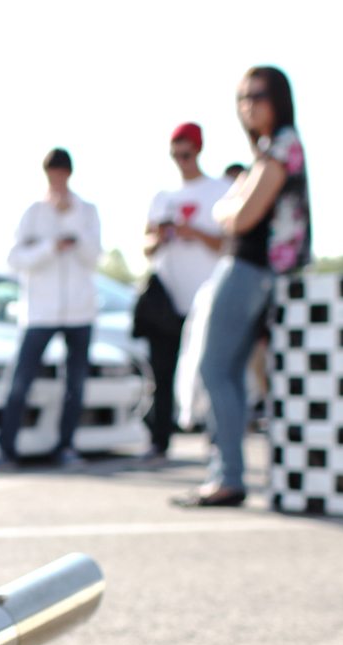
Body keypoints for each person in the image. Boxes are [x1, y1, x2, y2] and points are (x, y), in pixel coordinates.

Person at [172, 66, 311, 507]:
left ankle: (228, 476)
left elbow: (240, 215)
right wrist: (230, 205)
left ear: (279, 98)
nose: (249, 105)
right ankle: (226, 473)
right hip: (255, 269)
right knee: (228, 373)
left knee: (215, 370)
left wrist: (227, 208)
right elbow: (232, 207)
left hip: (250, 268)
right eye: (242, 98)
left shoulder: (282, 145)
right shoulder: (269, 149)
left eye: (258, 95)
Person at [0, 147, 104, 467]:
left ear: (69, 174)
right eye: (51, 174)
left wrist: (72, 227)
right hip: (40, 313)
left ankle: (65, 447)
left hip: (80, 312)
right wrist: (50, 247)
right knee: (21, 381)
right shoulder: (32, 212)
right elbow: (14, 259)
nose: (56, 180)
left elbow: (95, 257)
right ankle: (6, 448)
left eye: (61, 174)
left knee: (75, 384)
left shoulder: (87, 211)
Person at [135, 122, 228, 460]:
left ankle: (217, 442)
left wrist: (194, 232)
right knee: (162, 374)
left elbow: (228, 244)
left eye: (186, 154)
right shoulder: (162, 197)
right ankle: (159, 440)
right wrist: (160, 237)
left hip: (207, 298)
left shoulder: (220, 190)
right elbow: (146, 247)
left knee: (211, 373)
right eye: (176, 155)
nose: (181, 161)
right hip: (166, 302)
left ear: (198, 150)